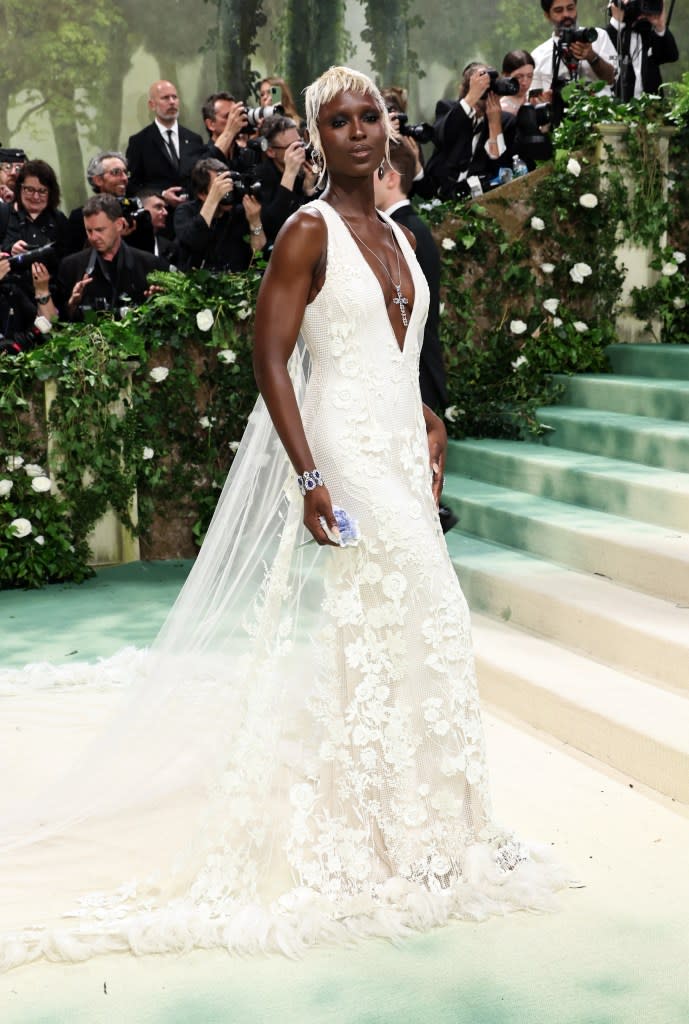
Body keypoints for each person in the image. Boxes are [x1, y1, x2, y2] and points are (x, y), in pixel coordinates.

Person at [0, 66, 565, 975]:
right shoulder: (306, 234)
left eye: (368, 116)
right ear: (315, 133)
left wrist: (432, 418)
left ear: (387, 128)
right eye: (335, 120)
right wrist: (307, 475)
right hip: (338, 446)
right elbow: (270, 360)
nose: (356, 131)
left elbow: (405, 346)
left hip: (396, 445)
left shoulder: (396, 233)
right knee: (415, 608)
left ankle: (423, 818)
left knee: (415, 626)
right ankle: (379, 821)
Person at [56, 194, 167, 321]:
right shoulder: (70, 266)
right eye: (89, 231)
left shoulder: (150, 264)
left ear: (119, 225)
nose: (93, 237)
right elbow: (60, 323)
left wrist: (157, 304)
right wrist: (72, 304)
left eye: (100, 230)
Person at [425, 63, 516, 198]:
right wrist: (472, 97)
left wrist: (494, 125)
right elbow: (441, 135)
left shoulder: (506, 121)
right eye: (481, 85)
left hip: (481, 197)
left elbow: (502, 172)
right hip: (442, 193)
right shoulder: (447, 108)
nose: (487, 90)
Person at [126, 80, 206, 215]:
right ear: (152, 105)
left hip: (194, 214)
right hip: (161, 218)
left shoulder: (194, 139)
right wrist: (162, 194)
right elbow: (133, 185)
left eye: (174, 97)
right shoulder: (139, 142)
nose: (172, 102)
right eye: (165, 98)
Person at [173, 157, 265, 271]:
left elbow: (258, 253)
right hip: (198, 282)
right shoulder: (185, 211)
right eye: (220, 186)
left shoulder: (240, 211)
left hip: (237, 282)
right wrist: (213, 199)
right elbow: (193, 241)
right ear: (202, 194)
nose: (228, 191)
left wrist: (255, 221)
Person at [0, 159, 68, 306]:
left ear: (51, 192)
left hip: (49, 300)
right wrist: (9, 249)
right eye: (29, 190)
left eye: (42, 191)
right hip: (8, 301)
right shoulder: (4, 214)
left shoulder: (59, 220)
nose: (35, 197)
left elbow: (67, 264)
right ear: (19, 188)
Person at [254, 115, 319, 245]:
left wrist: (309, 190)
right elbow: (273, 227)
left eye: (301, 143)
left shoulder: (304, 171)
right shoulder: (261, 176)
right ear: (271, 151)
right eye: (292, 147)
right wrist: (289, 174)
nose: (301, 150)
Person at [531, 0, 618, 96]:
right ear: (547, 16)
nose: (566, 14)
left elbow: (611, 78)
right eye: (559, 10)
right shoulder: (538, 56)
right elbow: (534, 97)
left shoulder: (598, 37)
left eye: (570, 8)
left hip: (599, 108)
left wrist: (592, 56)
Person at [606, 1, 679, 100]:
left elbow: (671, 55)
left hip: (651, 110)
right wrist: (617, 20)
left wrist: (660, 26)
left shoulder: (648, 36)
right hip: (617, 110)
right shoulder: (604, 36)